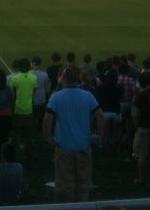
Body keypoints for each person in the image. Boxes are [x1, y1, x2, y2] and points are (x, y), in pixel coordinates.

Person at [43, 66, 105, 203]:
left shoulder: (56, 97)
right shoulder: (87, 96)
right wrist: (99, 136)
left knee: (67, 186)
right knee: (83, 186)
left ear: (64, 79)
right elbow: (100, 116)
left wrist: (47, 137)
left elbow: (47, 119)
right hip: (83, 145)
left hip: (64, 147)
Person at [10, 58, 37, 155]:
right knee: (28, 132)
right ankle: (29, 152)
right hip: (29, 109)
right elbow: (34, 92)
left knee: (16, 131)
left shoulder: (15, 78)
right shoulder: (33, 78)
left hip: (18, 109)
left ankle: (15, 151)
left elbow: (13, 94)